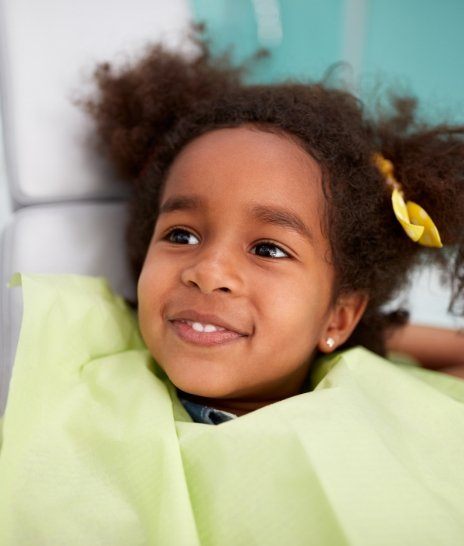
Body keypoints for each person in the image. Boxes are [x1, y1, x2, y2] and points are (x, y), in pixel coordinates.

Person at [1, 26, 464, 545]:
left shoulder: (377, 397)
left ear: (339, 315)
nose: (209, 270)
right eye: (181, 234)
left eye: (268, 248)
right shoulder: (91, 362)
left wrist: (370, 335)